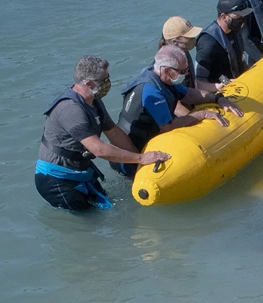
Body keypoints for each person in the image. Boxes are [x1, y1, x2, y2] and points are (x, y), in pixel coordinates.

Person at [35, 56, 168, 211]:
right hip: (56, 180)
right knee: (91, 220)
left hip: (81, 171)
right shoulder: (70, 109)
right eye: (104, 80)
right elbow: (99, 149)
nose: (108, 83)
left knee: (109, 207)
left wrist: (139, 162)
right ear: (89, 84)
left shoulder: (94, 101)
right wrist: (141, 158)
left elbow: (114, 134)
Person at [110, 46, 244, 178]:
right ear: (167, 70)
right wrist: (202, 114)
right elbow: (169, 126)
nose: (186, 74)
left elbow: (188, 94)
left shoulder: (162, 78)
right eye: (183, 71)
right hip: (129, 157)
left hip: (144, 142)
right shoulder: (152, 92)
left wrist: (217, 98)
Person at [195, 0, 260, 86]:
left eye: (243, 16)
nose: (242, 20)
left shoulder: (234, 31)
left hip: (238, 82)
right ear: (224, 16)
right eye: (238, 16)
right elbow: (199, 83)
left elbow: (240, 59)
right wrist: (221, 86)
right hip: (218, 91)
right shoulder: (208, 43)